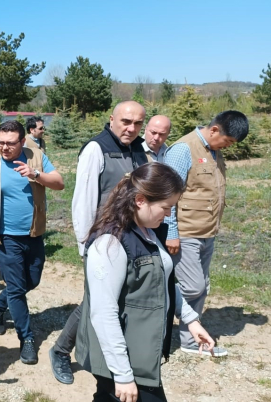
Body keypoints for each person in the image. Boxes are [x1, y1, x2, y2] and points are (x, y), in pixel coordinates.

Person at [75, 162, 216, 402]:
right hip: (122, 360)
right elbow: (103, 313)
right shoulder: (110, 244)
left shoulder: (148, 230)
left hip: (140, 353)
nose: (169, 214)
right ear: (140, 200)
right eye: (166, 207)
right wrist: (122, 376)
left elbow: (164, 283)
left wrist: (191, 320)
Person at [50, 100, 148, 385]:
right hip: (103, 241)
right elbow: (83, 200)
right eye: (125, 122)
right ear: (112, 119)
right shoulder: (96, 149)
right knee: (94, 301)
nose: (131, 128)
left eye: (137, 123)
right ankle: (60, 351)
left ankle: (114, 351)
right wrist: (86, 245)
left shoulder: (138, 149)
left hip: (133, 238)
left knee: (116, 298)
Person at [0, 120, 65, 365]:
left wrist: (36, 175)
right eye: (0, 142)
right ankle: (27, 338)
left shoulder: (36, 156)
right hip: (4, 236)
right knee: (18, 288)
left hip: (33, 233)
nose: (4, 148)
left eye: (10, 143)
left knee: (32, 280)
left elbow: (59, 183)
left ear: (22, 141)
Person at [163, 110, 249, 357]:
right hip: (185, 232)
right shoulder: (183, 150)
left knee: (203, 286)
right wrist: (171, 232)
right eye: (228, 141)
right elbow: (168, 195)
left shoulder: (214, 151)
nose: (228, 146)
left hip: (206, 232)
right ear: (214, 130)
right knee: (193, 286)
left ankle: (191, 341)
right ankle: (164, 318)